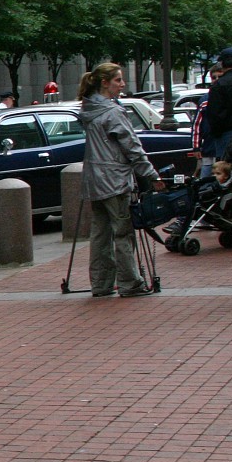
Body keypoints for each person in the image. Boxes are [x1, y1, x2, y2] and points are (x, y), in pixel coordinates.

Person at [75, 62, 163, 298]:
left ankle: (101, 284)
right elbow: (132, 147)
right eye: (118, 80)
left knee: (100, 233)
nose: (123, 85)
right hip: (114, 178)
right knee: (123, 233)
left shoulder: (90, 107)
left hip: (94, 178)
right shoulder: (113, 112)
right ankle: (130, 283)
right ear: (105, 83)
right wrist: (151, 174)